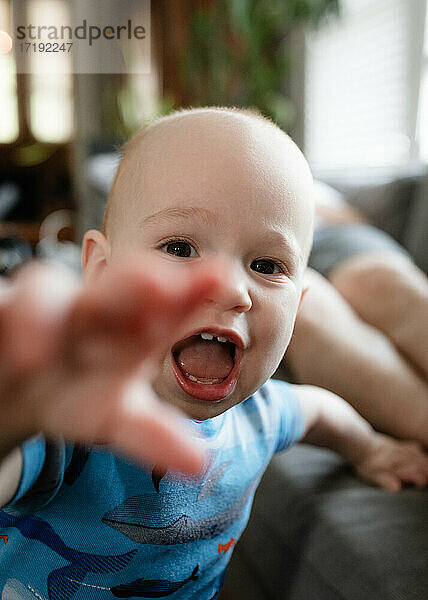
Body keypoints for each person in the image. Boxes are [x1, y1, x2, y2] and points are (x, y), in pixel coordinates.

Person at [0, 107, 427, 600]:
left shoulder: (261, 416)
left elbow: (317, 412)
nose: (229, 287)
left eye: (266, 264)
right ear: (99, 269)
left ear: (299, 309)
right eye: (180, 248)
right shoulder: (65, 425)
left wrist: (371, 449)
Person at [284, 184, 428, 447]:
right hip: (265, 251)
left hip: (330, 233)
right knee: (302, 308)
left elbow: (354, 220)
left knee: (386, 282)